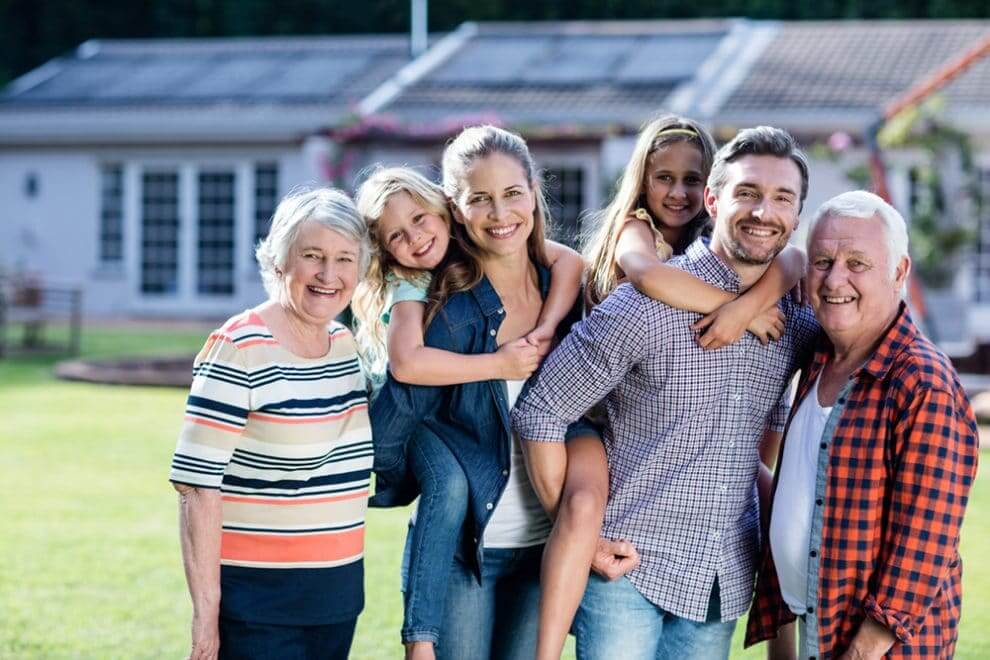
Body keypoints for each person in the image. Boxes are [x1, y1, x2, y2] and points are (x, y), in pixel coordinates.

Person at [513, 126, 821, 660]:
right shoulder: (645, 303)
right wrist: (581, 530)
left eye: (781, 198)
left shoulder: (795, 318)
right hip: (628, 569)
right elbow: (540, 411)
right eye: (746, 192)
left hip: (720, 579)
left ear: (796, 216)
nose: (762, 211)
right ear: (713, 199)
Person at [370, 125, 588, 660]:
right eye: (480, 199)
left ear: (534, 192)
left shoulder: (565, 287)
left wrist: (548, 323)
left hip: (544, 549)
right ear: (455, 206)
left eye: (513, 194)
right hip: (468, 550)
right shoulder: (438, 298)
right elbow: (404, 385)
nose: (500, 213)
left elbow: (571, 260)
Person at [746, 191, 980, 659]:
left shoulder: (921, 382)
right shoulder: (818, 357)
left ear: (899, 272)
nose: (835, 278)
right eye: (823, 261)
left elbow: (923, 545)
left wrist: (861, 653)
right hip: (816, 629)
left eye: (858, 263)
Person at [169, 188, 373, 660]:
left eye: (344, 259)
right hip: (256, 603)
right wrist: (206, 613)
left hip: (337, 598)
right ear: (281, 260)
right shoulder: (238, 346)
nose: (328, 274)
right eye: (312, 255)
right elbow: (197, 487)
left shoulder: (345, 346)